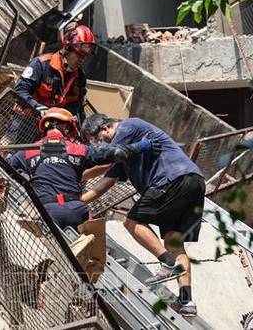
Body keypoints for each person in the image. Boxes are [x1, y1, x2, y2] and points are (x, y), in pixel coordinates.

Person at [80, 113, 205, 317]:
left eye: (98, 140)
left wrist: (74, 170)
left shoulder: (128, 127)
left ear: (104, 128)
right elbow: (103, 185)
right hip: (194, 182)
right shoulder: (125, 155)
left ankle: (166, 263)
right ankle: (187, 301)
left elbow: (105, 162)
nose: (99, 145)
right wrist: (78, 202)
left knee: (131, 222)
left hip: (170, 179)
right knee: (174, 243)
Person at [5, 107, 159, 230]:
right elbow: (116, 154)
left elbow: (3, 167)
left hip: (46, 212)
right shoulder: (78, 149)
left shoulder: (27, 151)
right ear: (66, 128)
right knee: (90, 262)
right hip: (78, 211)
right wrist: (142, 145)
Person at [4, 23, 95, 145]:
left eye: (85, 56)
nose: (82, 60)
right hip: (24, 121)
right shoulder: (42, 64)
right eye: (79, 54)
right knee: (5, 153)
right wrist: (37, 108)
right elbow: (19, 91)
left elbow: (76, 109)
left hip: (51, 129)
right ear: (67, 49)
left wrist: (81, 133)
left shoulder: (80, 78)